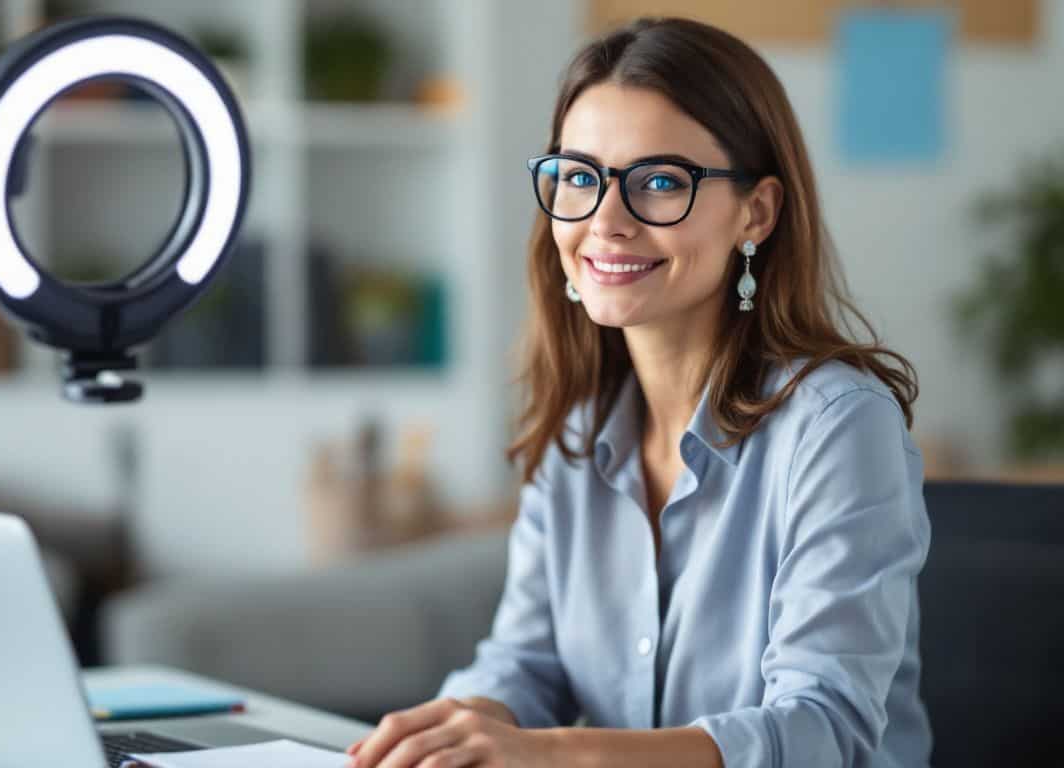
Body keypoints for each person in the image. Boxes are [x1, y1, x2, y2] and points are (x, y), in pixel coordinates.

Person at [345, 16, 929, 768]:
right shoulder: (578, 429)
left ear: (757, 213)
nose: (605, 222)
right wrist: (447, 730)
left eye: (660, 182)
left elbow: (824, 733)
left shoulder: (840, 428)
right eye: (580, 178)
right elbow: (526, 664)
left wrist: (552, 755)